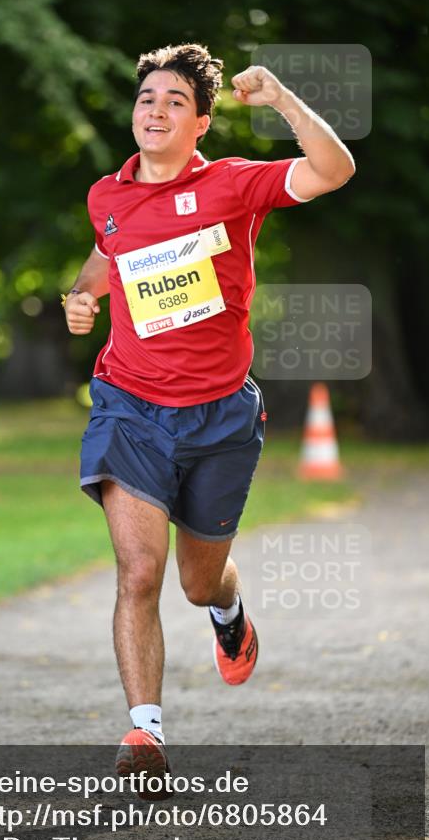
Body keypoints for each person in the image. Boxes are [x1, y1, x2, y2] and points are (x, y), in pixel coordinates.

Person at [62, 43, 355, 785]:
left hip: (219, 416)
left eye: (174, 103)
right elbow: (110, 248)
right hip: (128, 405)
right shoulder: (108, 195)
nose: (154, 111)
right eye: (146, 99)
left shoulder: (231, 186)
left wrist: (284, 99)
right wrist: (84, 292)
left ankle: (227, 612)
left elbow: (333, 171)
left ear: (200, 126)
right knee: (138, 572)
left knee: (197, 582)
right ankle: (144, 735)